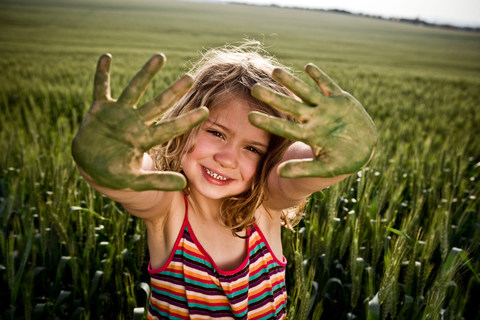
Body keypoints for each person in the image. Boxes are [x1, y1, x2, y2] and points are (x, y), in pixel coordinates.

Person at [71, 41, 377, 319]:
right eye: (216, 133)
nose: (227, 158)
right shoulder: (169, 209)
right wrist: (109, 163)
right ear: (184, 124)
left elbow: (297, 169)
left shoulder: (265, 206)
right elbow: (135, 181)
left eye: (252, 148)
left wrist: (338, 152)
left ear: (270, 157)